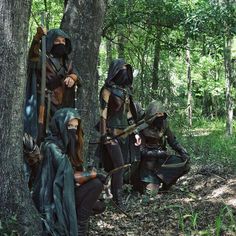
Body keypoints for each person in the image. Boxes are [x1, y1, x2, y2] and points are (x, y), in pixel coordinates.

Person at [25, 108, 104, 235]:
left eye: (75, 127)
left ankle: (79, 225)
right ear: (60, 124)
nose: (73, 130)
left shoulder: (66, 145)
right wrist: (95, 175)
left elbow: (73, 176)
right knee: (96, 184)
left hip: (67, 192)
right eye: (69, 126)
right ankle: (79, 230)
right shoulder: (51, 147)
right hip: (54, 200)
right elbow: (70, 176)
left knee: (99, 203)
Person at [24, 26, 81, 143]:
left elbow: (79, 79)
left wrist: (73, 77)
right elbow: (32, 57)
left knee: (62, 135)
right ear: (50, 42)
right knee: (43, 135)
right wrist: (37, 38)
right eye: (57, 41)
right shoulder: (42, 59)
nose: (61, 43)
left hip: (64, 105)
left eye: (63, 41)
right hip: (45, 103)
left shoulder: (67, 63)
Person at [99, 58, 141, 209]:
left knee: (121, 166)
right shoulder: (107, 90)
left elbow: (129, 115)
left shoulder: (125, 92)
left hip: (125, 135)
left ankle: (109, 193)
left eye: (126, 68)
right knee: (119, 165)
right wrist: (104, 135)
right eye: (121, 68)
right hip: (111, 134)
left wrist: (135, 132)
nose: (124, 71)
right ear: (115, 71)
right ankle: (118, 200)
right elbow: (103, 114)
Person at [137, 101, 190, 194]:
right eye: (157, 114)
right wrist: (156, 153)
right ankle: (143, 183)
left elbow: (172, 141)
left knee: (184, 165)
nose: (160, 116)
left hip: (162, 160)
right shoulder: (141, 128)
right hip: (147, 165)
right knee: (152, 193)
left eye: (162, 113)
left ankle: (166, 185)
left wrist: (182, 151)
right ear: (151, 115)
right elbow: (139, 151)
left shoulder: (164, 124)